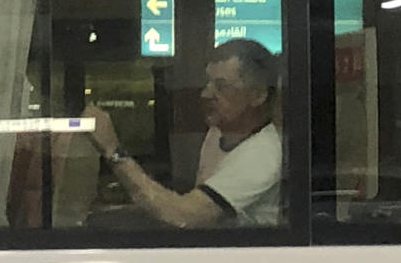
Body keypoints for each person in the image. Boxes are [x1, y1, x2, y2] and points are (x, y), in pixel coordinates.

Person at [83, 39, 283, 228]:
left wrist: (114, 151)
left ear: (258, 95)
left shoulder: (262, 155)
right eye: (208, 83)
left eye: (221, 86)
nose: (206, 94)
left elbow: (185, 216)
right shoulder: (219, 133)